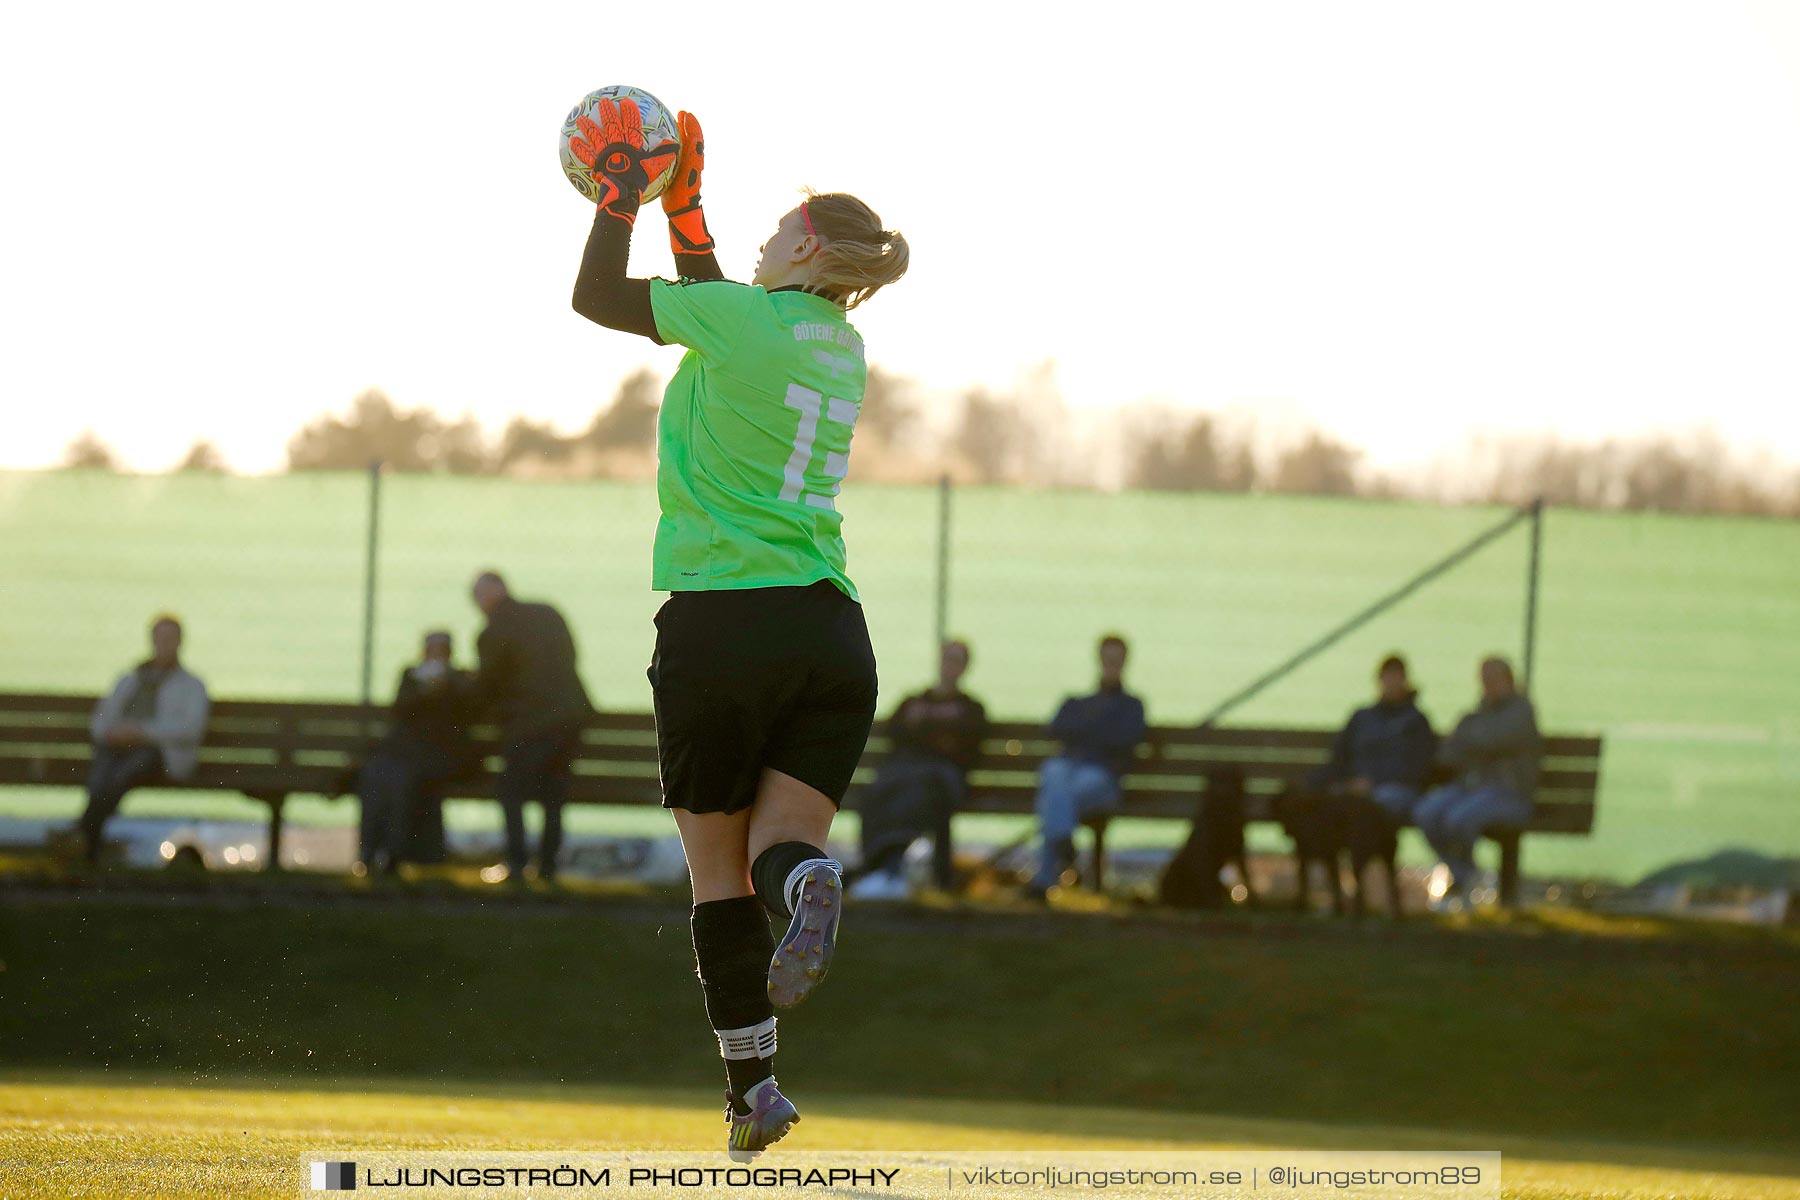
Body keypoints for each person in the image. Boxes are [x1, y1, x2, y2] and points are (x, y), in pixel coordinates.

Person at [567, 98, 908, 1160]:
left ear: (804, 244)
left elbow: (592, 297)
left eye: (775, 228)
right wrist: (694, 207)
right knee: (779, 851)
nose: (756, 243)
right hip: (829, 635)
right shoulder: (838, 345)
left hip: (723, 627)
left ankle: (753, 1092)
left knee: (717, 873)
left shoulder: (743, 322)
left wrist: (624, 197)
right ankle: (809, 887)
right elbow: (723, 295)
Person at [1277, 654, 1437, 914]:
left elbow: (1418, 769)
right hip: (1352, 793)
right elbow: (1338, 760)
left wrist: (1372, 783)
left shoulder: (1417, 722)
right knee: (1330, 807)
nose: (1391, 683)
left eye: (1397, 678)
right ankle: (1337, 895)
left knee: (1362, 809)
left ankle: (1357, 896)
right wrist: (1312, 784)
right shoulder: (1362, 717)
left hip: (1393, 792)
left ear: (1405, 681)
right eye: (1387, 677)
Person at [470, 572, 594, 885]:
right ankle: (548, 867)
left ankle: (516, 864)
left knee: (510, 789)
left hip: (529, 724)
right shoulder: (547, 612)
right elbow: (572, 657)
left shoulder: (492, 632)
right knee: (554, 791)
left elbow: (488, 687)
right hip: (570, 717)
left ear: (483, 599)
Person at [849, 639, 988, 898]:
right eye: (947, 658)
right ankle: (879, 867)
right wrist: (938, 729)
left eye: (957, 660)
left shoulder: (971, 708)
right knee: (876, 793)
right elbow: (896, 733)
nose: (950, 665)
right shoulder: (913, 701)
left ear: (966, 667)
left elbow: (967, 746)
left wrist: (926, 726)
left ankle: (890, 868)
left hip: (941, 779)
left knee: (921, 791)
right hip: (903, 773)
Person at [77, 615, 210, 863]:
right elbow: (101, 720)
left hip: (161, 756)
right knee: (104, 766)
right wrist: (113, 734)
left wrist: (143, 733)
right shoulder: (129, 679)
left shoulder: (191, 685)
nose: (165, 644)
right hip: (117, 749)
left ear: (181, 642)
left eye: (170, 638)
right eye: (161, 637)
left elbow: (190, 729)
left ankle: (85, 832)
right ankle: (88, 836)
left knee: (125, 768)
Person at [1028, 634, 1148, 899]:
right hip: (1069, 771)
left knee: (1055, 795)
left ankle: (1047, 875)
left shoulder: (1132, 706)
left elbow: (1126, 738)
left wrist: (1086, 729)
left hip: (1103, 779)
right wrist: (1100, 728)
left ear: (1125, 661)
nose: (1111, 664)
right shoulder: (1076, 702)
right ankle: (1063, 842)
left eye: (1117, 659)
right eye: (1107, 658)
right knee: (1053, 772)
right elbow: (1055, 729)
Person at [1414, 656, 1541, 906]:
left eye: (1494, 679)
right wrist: (1468, 739)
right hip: (1470, 789)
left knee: (1458, 819)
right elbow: (1448, 752)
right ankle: (1464, 873)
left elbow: (1492, 739)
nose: (1488, 686)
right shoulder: (1477, 714)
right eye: (1484, 680)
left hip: (1509, 795)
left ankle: (1463, 881)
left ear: (1509, 680)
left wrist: (1468, 738)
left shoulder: (1521, 711)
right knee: (1426, 812)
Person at [356, 631, 479, 876]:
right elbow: (399, 711)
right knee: (376, 776)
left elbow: (465, 716)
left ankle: (394, 854)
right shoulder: (410, 677)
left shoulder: (459, 680)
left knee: (403, 780)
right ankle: (369, 851)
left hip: (437, 758)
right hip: (403, 756)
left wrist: (445, 688)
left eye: (441, 650)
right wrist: (423, 692)